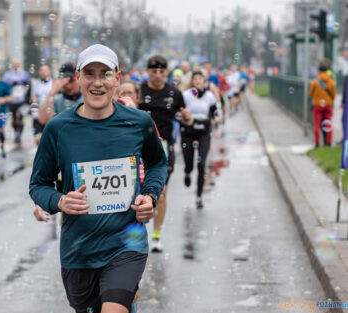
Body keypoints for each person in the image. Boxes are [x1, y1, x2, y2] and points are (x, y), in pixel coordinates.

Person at [29, 44, 168, 313]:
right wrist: (60, 202)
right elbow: (38, 184)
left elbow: (158, 163)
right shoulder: (58, 128)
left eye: (105, 74)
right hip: (78, 251)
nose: (97, 82)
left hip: (126, 244)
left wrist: (150, 195)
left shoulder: (139, 123)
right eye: (89, 73)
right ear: (78, 77)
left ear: (117, 79)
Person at [139, 55, 193, 253]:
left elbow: (186, 120)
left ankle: (156, 235)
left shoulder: (174, 93)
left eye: (162, 72)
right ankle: (138, 232)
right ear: (148, 72)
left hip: (164, 148)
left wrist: (187, 118)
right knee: (138, 192)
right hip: (139, 147)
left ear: (167, 72)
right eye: (154, 71)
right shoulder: (140, 92)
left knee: (161, 192)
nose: (158, 75)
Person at [181, 71, 220, 209]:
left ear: (204, 81)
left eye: (200, 79)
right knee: (190, 162)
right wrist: (185, 118)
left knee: (202, 164)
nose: (197, 81)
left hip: (204, 132)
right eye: (195, 79)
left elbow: (214, 110)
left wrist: (216, 117)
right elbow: (179, 112)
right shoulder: (186, 96)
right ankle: (187, 171)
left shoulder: (209, 96)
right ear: (192, 82)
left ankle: (199, 196)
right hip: (188, 132)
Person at [2, 59, 31, 147]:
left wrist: (28, 98)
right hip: (12, 100)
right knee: (14, 118)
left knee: (21, 117)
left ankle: (19, 134)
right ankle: (16, 132)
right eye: (14, 64)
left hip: (22, 100)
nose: (16, 66)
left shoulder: (24, 74)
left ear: (20, 64)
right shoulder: (8, 74)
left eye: (17, 64)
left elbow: (29, 85)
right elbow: (4, 85)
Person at [309, 60, 336, 147]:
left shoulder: (315, 81)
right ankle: (328, 143)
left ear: (319, 71)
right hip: (328, 105)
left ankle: (317, 143)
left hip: (317, 105)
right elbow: (334, 94)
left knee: (317, 125)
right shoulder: (331, 81)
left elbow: (310, 94)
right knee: (327, 123)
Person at [31, 64, 53, 144]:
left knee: (48, 138)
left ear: (49, 72)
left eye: (45, 70)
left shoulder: (53, 83)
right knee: (37, 138)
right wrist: (33, 99)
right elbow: (31, 97)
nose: (43, 72)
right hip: (37, 114)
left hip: (49, 114)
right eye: (42, 70)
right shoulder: (35, 83)